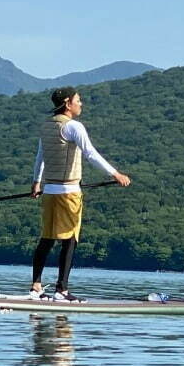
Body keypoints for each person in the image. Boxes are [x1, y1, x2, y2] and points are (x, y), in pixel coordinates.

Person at [30, 87, 131, 299]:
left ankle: (35, 286)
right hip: (69, 192)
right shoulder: (74, 126)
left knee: (47, 238)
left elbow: (40, 156)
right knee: (70, 238)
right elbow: (91, 154)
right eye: (78, 100)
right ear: (68, 103)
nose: (81, 104)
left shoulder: (46, 126)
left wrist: (36, 183)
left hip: (49, 191)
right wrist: (115, 174)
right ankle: (61, 289)